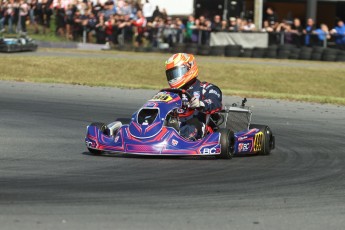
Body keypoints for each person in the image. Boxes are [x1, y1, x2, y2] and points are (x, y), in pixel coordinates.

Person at [165, 53, 222, 140]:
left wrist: (200, 104)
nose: (174, 78)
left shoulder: (206, 88)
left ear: (189, 68)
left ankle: (182, 140)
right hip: (175, 125)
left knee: (191, 125)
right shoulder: (170, 93)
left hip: (198, 127)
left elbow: (215, 102)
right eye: (171, 75)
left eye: (177, 73)